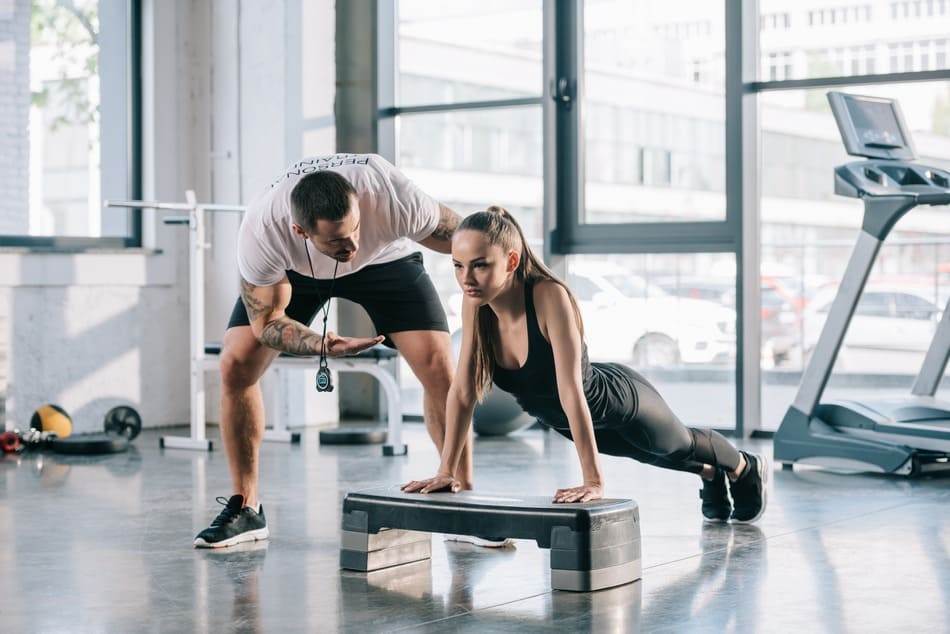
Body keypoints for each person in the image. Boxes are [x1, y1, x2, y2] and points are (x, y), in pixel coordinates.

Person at [402, 207, 768, 524]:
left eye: (480, 265)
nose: (466, 278)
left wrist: (592, 480)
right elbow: (463, 391)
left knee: (676, 443)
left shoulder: (548, 295)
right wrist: (446, 470)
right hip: (565, 421)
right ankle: (708, 473)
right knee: (649, 454)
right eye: (458, 266)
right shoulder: (475, 302)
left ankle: (744, 467)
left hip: (618, 403)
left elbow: (570, 389)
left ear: (511, 262)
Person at [195, 153, 475, 548]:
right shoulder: (263, 231)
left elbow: (467, 240)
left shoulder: (389, 193)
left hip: (386, 262)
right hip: (297, 274)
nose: (352, 245)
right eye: (338, 240)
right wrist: (320, 344)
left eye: (355, 229)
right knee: (235, 366)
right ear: (301, 230)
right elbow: (267, 323)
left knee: (439, 368)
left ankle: (462, 501)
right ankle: (247, 508)